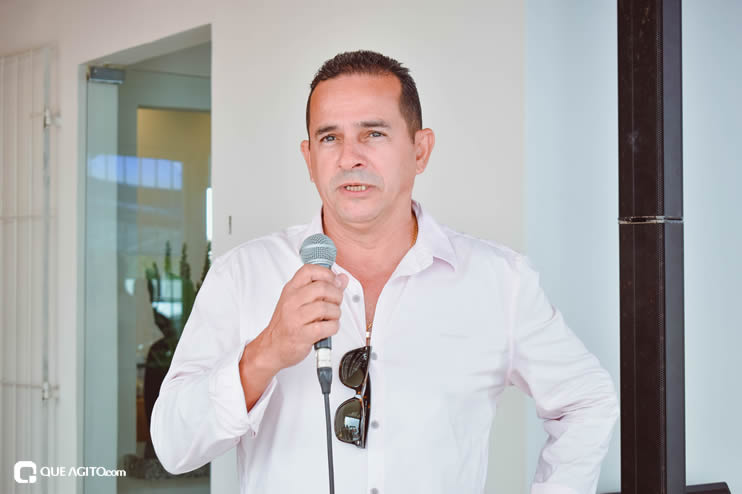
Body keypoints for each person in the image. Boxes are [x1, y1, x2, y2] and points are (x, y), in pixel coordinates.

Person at [150, 50, 619, 494]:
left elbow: (586, 400)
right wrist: (265, 352)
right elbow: (173, 446)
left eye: (373, 134)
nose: (349, 157)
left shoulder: (500, 281)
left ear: (420, 150)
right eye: (329, 137)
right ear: (309, 159)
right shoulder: (242, 275)